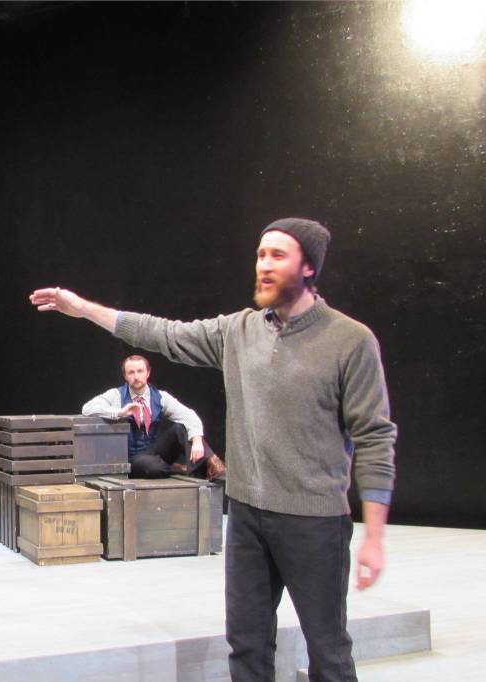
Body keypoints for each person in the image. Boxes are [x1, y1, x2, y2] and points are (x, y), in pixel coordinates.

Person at [29, 217, 396, 682]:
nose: (263, 264)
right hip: (246, 516)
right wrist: (83, 309)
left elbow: (375, 437)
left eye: (277, 255)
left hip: (314, 521)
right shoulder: (238, 331)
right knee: (246, 646)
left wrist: (376, 538)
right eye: (260, 254)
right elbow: (162, 333)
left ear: (309, 268)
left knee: (328, 652)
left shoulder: (350, 340)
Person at [82, 354, 226, 480]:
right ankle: (178, 469)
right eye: (131, 372)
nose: (136, 376)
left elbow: (188, 415)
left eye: (140, 371)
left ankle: (213, 463)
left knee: (180, 428)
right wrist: (119, 413)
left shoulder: (160, 396)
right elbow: (87, 408)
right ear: (125, 376)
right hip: (132, 458)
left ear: (148, 373)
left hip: (155, 451)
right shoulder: (116, 395)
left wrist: (197, 439)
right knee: (154, 468)